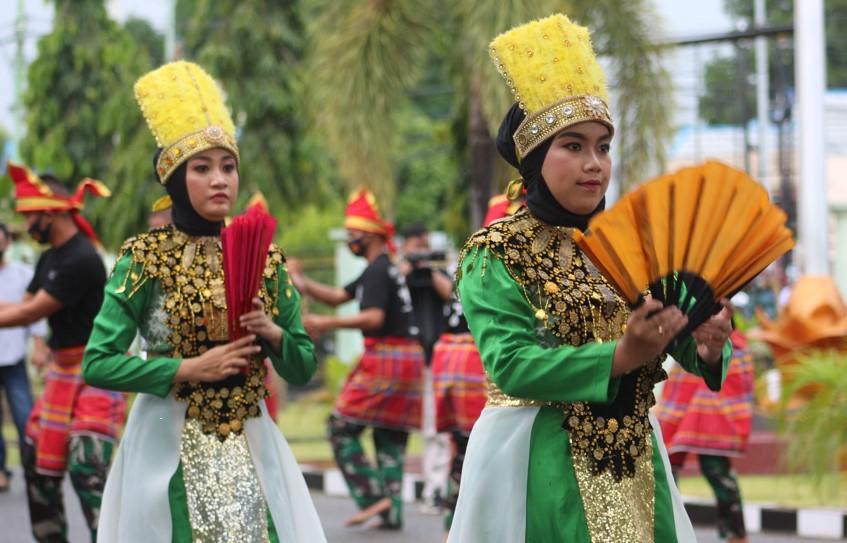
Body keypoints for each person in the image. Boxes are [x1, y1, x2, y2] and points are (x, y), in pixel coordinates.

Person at [448, 14, 733, 542]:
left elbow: (681, 334)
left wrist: (709, 343)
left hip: (635, 458)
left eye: (603, 146)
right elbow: (511, 364)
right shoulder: (495, 252)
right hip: (537, 456)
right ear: (535, 159)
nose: (594, 164)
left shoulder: (636, 244)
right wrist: (621, 356)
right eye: (573, 146)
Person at [82, 61, 325, 542]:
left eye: (228, 167)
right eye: (202, 168)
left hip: (251, 440)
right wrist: (188, 369)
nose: (220, 180)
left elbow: (302, 368)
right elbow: (98, 363)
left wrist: (273, 333)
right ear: (174, 180)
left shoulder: (265, 259)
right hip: (163, 434)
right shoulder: (144, 258)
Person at [0, 162, 126, 542]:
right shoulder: (49, 257)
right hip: (62, 372)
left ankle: (108, 537)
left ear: (50, 212)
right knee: (34, 456)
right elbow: (18, 304)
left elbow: (31, 312)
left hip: (96, 369)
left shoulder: (81, 258)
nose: (25, 224)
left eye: (29, 215)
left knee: (87, 464)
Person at [290, 188, 423, 530]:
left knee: (340, 426)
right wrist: (301, 283)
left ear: (370, 235)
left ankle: (370, 494)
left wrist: (325, 323)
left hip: (388, 355)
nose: (350, 240)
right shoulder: (378, 268)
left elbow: (374, 318)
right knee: (389, 434)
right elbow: (337, 296)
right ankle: (390, 511)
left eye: (353, 234)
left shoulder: (378, 270)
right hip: (406, 357)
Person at [432, 191, 523, 534]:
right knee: (478, 450)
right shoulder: (494, 261)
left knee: (465, 449)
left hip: (460, 366)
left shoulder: (474, 261)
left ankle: (452, 527)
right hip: (477, 369)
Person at [655, 324, 754, 543]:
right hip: (691, 355)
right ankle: (671, 529)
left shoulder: (734, 344)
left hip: (715, 353)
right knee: (667, 465)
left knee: (715, 466)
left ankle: (736, 535)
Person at [399, 223, 453, 510]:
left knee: (434, 428)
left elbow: (450, 292)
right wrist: (406, 268)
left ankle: (434, 489)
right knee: (400, 428)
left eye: (425, 246)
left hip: (431, 361)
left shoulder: (435, 274)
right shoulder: (398, 275)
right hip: (404, 364)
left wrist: (428, 269)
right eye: (416, 246)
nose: (421, 252)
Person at [0, 222, 48, 493]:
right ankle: (1, 471)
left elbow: (34, 314)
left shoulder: (22, 274)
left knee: (24, 416)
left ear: (7, 242)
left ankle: (34, 470)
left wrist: (39, 347)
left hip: (14, 358)